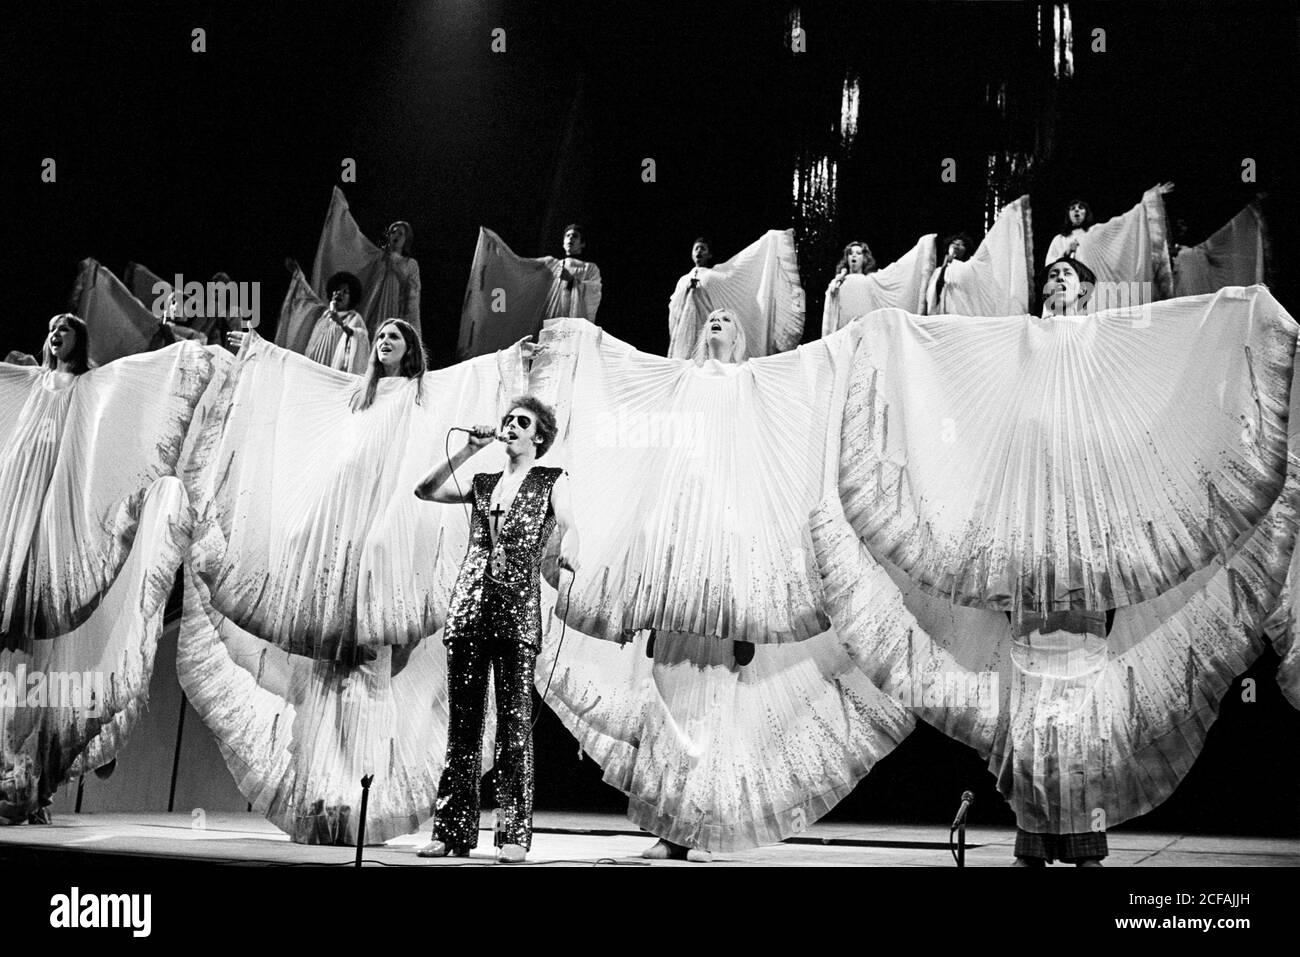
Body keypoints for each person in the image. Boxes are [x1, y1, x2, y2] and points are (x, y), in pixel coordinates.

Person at [414, 395, 579, 863]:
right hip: (470, 604)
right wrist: (468, 449)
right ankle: (452, 830)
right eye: (507, 419)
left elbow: (569, 523)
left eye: (520, 422)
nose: (510, 426)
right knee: (462, 725)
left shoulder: (551, 479)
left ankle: (513, 834)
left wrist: (573, 548)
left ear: (538, 436)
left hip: (515, 607)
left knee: (514, 726)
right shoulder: (483, 481)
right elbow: (425, 490)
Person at [360, 221, 421, 333]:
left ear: (406, 239)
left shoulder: (410, 263)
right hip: (377, 305)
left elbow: (413, 290)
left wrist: (395, 265)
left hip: (396, 306)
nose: (396, 235)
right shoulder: (378, 258)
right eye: (393, 232)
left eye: (400, 233)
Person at [304, 271, 369, 374]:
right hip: (316, 365)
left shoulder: (353, 317)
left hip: (335, 369)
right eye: (337, 290)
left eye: (345, 292)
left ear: (351, 298)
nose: (339, 293)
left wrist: (340, 323)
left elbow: (359, 337)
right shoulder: (324, 316)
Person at [543, 224, 602, 323]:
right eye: (567, 235)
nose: (570, 238)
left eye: (575, 236)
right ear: (563, 243)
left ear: (582, 243)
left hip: (575, 321)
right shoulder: (554, 266)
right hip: (553, 318)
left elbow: (594, 293)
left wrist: (572, 281)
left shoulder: (590, 268)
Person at [923, 232, 974, 314]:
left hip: (961, 311)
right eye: (953, 243)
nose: (957, 245)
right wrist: (945, 266)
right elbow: (934, 292)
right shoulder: (938, 270)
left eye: (961, 244)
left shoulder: (968, 267)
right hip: (942, 311)